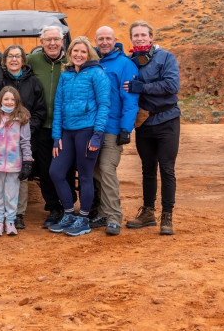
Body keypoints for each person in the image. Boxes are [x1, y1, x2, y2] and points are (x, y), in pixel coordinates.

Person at [0, 45, 46, 229]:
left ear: (23, 60)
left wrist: (25, 128)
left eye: (17, 56)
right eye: (10, 56)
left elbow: (40, 111)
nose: (14, 60)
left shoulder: (34, 83)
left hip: (22, 140)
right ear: (4, 60)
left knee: (20, 178)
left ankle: (18, 214)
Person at [123, 20, 181, 236]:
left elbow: (172, 85)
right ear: (131, 38)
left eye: (143, 35)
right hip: (144, 123)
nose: (139, 38)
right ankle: (148, 212)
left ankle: (167, 215)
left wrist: (143, 87)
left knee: (167, 169)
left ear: (151, 37)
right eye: (135, 35)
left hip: (167, 120)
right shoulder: (131, 61)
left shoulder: (166, 57)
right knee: (147, 169)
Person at [48, 36, 110, 237]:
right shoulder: (65, 75)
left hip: (87, 130)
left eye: (83, 51)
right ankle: (68, 213)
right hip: (67, 132)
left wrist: (97, 135)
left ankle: (83, 219)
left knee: (85, 176)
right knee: (56, 172)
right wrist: (56, 136)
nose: (79, 55)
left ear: (89, 54)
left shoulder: (97, 73)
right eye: (75, 51)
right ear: (70, 53)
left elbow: (104, 105)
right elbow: (58, 106)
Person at [90, 26, 139, 236]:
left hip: (112, 128)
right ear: (95, 40)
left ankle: (114, 217)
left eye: (108, 38)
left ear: (114, 40)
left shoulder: (125, 64)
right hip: (91, 128)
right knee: (94, 170)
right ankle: (102, 212)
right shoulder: (91, 61)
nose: (104, 42)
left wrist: (126, 128)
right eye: (100, 39)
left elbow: (130, 99)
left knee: (106, 169)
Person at [26, 25, 71, 228]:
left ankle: (68, 205)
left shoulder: (71, 59)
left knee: (66, 168)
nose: (52, 43)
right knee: (45, 170)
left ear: (62, 41)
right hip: (42, 125)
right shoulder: (32, 60)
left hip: (67, 126)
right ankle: (53, 207)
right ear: (41, 42)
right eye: (48, 40)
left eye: (56, 39)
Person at [0, 86, 33, 237]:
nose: (9, 102)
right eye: (6, 99)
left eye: (12, 99)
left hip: (15, 165)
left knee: (11, 195)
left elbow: (25, 142)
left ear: (17, 101)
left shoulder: (22, 119)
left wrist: (27, 161)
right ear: (0, 101)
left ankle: (10, 221)